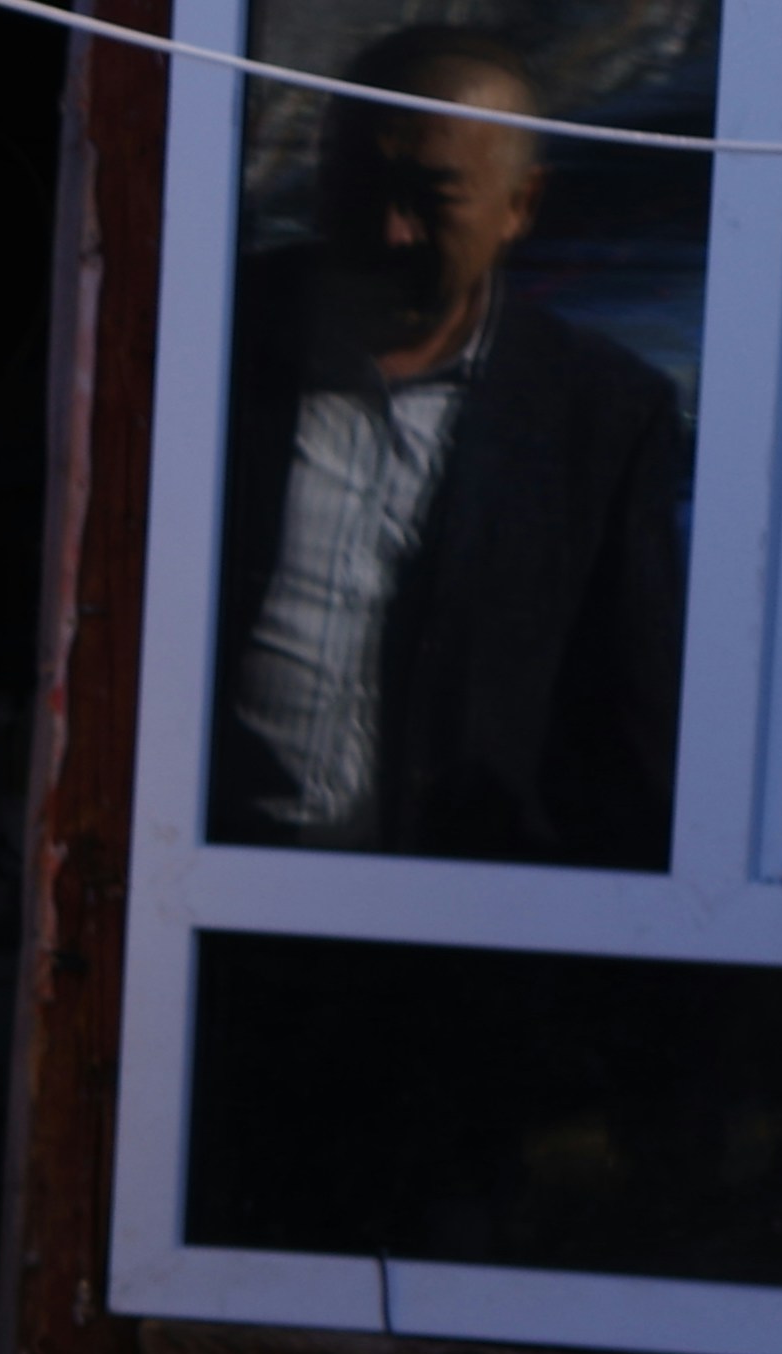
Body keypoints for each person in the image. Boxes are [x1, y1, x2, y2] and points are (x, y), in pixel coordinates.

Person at [207, 30, 689, 870]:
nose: (392, 233)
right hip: (207, 892)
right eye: (363, 188)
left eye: (435, 197)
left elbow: (632, 723)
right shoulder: (207, 341)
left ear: (520, 207)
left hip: (455, 924)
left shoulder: (600, 418)